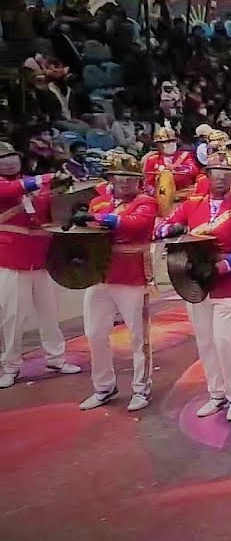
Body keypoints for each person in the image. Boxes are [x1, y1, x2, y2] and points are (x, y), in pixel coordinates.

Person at [157, 150, 231, 421]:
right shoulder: (192, 204)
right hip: (194, 283)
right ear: (208, 176)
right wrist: (172, 230)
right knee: (205, 342)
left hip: (228, 284)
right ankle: (216, 394)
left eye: (228, 175)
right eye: (217, 174)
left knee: (225, 342)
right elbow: (162, 227)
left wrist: (219, 268)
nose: (222, 179)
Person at [76, 151, 158, 412]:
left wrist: (97, 220)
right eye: (119, 176)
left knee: (137, 336)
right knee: (95, 333)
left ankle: (141, 389)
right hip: (99, 275)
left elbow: (135, 224)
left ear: (139, 181)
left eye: (130, 177)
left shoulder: (146, 201)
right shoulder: (98, 202)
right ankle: (104, 386)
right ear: (110, 178)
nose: (124, 182)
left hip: (132, 275)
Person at [0, 143, 80, 389]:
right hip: (11, 259)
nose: (10, 160)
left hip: (41, 258)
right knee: (12, 317)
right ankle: (10, 366)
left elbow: (51, 208)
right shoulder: (15, 185)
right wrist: (47, 178)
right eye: (3, 157)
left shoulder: (32, 184)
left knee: (49, 313)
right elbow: (14, 190)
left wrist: (60, 188)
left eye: (13, 155)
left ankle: (56, 358)